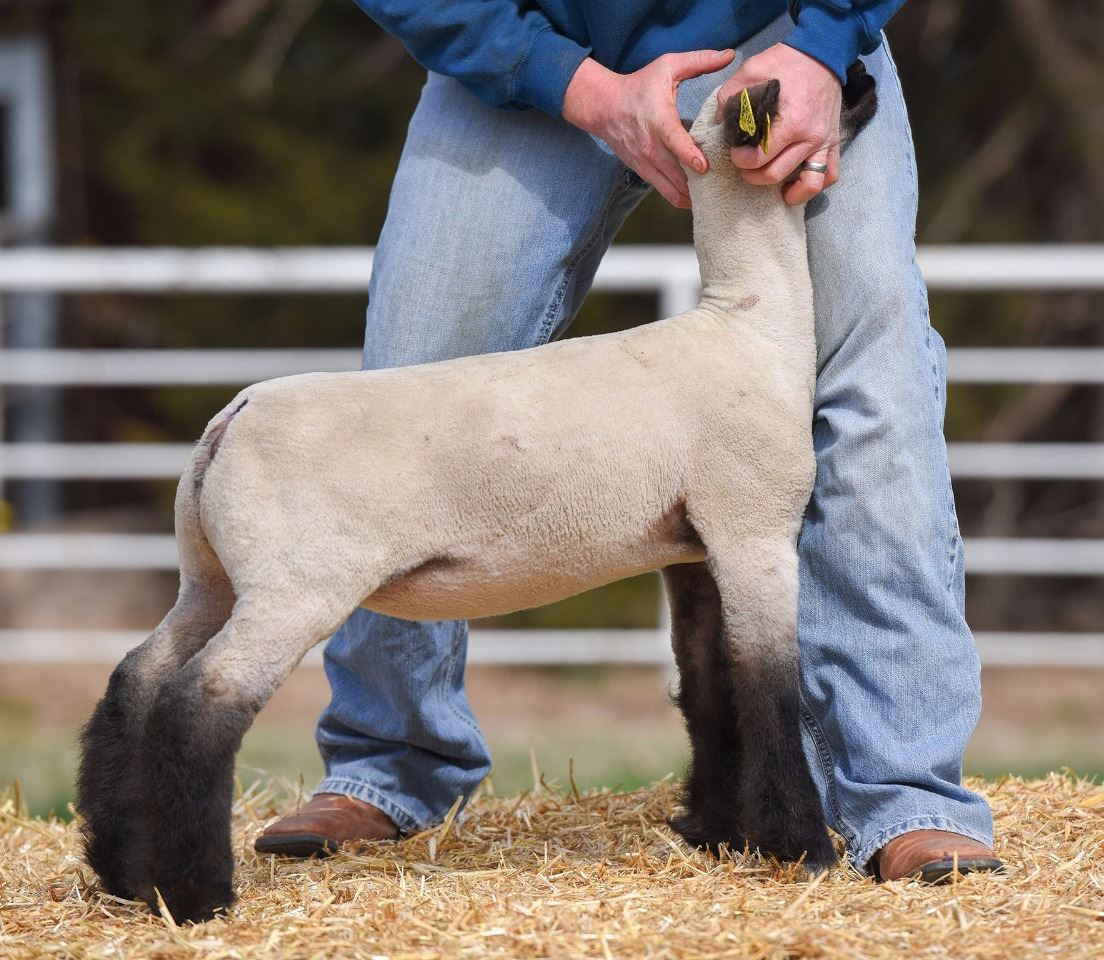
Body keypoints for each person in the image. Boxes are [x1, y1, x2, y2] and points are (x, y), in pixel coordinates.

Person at [254, 1, 1004, 882]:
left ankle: (903, 789)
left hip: (779, 42)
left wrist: (824, 44)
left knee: (870, 385)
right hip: (536, 44)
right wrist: (568, 83)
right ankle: (390, 758)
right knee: (416, 366)